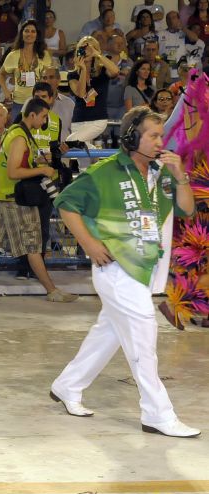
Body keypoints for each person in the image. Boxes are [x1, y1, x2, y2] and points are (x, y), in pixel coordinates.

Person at [50, 106, 199, 438]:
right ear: (132, 137)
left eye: (161, 135)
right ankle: (157, 413)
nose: (161, 142)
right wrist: (88, 243)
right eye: (153, 135)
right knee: (144, 338)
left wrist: (181, 177)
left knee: (110, 334)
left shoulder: (161, 173)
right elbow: (65, 203)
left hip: (142, 270)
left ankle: (67, 385)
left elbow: (187, 210)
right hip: (116, 268)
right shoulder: (103, 173)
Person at [0, 97, 78, 303]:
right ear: (32, 115)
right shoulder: (19, 136)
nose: (45, 121)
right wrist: (42, 169)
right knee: (33, 244)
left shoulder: (18, 132)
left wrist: (36, 162)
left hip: (7, 195)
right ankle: (52, 290)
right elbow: (13, 171)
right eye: (43, 116)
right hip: (14, 196)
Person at [15, 82, 63, 280]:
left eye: (44, 96)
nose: (40, 99)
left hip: (46, 179)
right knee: (25, 224)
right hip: (26, 177)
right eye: (37, 95)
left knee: (43, 225)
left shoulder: (56, 121)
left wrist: (57, 154)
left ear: (51, 99)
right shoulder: (22, 119)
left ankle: (38, 268)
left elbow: (56, 149)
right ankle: (22, 267)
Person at [67, 36, 119, 143]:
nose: (86, 50)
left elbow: (115, 71)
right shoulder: (72, 75)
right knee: (83, 157)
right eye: (83, 47)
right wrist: (83, 69)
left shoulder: (103, 70)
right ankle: (97, 159)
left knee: (71, 141)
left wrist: (97, 54)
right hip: (79, 120)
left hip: (98, 120)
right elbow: (81, 94)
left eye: (89, 47)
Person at [0, 20, 53, 120]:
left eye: (33, 31)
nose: (29, 34)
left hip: (38, 102)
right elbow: (1, 74)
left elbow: (50, 77)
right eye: (26, 31)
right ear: (22, 34)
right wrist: (6, 92)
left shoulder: (43, 54)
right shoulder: (13, 55)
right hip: (19, 102)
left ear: (37, 35)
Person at [158, 10, 199, 80]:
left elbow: (195, 39)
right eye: (168, 18)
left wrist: (182, 28)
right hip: (165, 74)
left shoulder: (183, 33)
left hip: (181, 74)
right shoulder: (159, 34)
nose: (171, 20)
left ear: (178, 19)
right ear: (166, 21)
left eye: (173, 17)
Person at [41, 66, 74, 140]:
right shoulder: (30, 103)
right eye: (44, 78)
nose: (47, 81)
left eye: (51, 77)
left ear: (59, 80)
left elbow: (75, 132)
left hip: (63, 150)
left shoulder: (69, 104)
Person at [105, 34, 133, 121]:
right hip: (104, 105)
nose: (120, 45)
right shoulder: (101, 61)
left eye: (122, 43)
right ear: (108, 45)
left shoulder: (129, 62)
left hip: (122, 106)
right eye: (116, 43)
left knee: (119, 133)